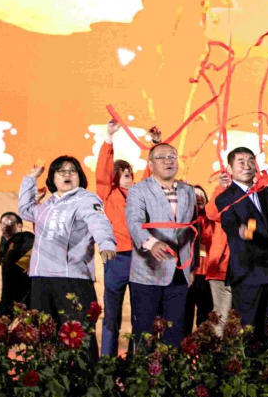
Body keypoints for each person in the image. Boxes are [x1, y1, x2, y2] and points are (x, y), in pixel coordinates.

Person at [19, 158, 116, 359]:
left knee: (79, 336)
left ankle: (85, 378)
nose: (67, 174)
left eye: (72, 170)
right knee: (43, 335)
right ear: (53, 178)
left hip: (72, 277)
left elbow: (98, 221)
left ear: (79, 176)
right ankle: (47, 377)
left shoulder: (86, 199)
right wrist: (30, 179)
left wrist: (106, 243)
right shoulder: (47, 205)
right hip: (41, 278)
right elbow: (25, 210)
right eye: (61, 171)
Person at [125, 143, 197, 353]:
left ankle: (170, 372)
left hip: (180, 272)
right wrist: (151, 243)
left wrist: (192, 267)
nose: (168, 161)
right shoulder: (138, 190)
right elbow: (134, 222)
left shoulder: (188, 190)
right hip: (148, 271)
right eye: (161, 157)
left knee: (174, 332)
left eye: (172, 156)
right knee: (144, 332)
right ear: (150, 164)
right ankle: (141, 372)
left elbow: (194, 230)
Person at [216, 147, 268, 338]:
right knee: (247, 329)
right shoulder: (225, 197)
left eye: (251, 162)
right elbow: (229, 223)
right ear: (229, 169)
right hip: (247, 272)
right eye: (240, 162)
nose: (246, 166)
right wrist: (240, 231)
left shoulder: (266, 193)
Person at [95, 120, 136, 355]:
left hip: (140, 258)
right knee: (112, 314)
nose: (128, 175)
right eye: (123, 172)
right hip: (116, 258)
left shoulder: (141, 195)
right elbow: (102, 172)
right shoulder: (108, 194)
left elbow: (153, 174)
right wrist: (109, 138)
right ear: (115, 176)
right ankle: (107, 362)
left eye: (130, 172)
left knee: (141, 315)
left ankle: (136, 362)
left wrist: (155, 143)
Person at [204, 173, 232, 332]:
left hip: (243, 271)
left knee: (240, 319)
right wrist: (221, 187)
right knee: (221, 318)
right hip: (220, 270)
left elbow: (252, 230)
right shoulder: (219, 215)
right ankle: (218, 347)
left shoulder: (248, 205)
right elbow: (211, 212)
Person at [184, 185, 214, 332]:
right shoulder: (183, 220)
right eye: (194, 195)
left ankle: (203, 345)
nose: (198, 198)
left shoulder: (212, 220)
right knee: (185, 315)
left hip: (206, 274)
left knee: (205, 315)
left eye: (201, 195)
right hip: (187, 273)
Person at [0, 212, 34, 317]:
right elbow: (0, 261)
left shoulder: (25, 236)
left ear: (19, 225)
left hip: (23, 297)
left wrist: (30, 264)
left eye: (9, 222)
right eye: (2, 223)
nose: (5, 225)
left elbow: (34, 252)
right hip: (7, 299)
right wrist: (4, 239)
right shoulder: (8, 245)